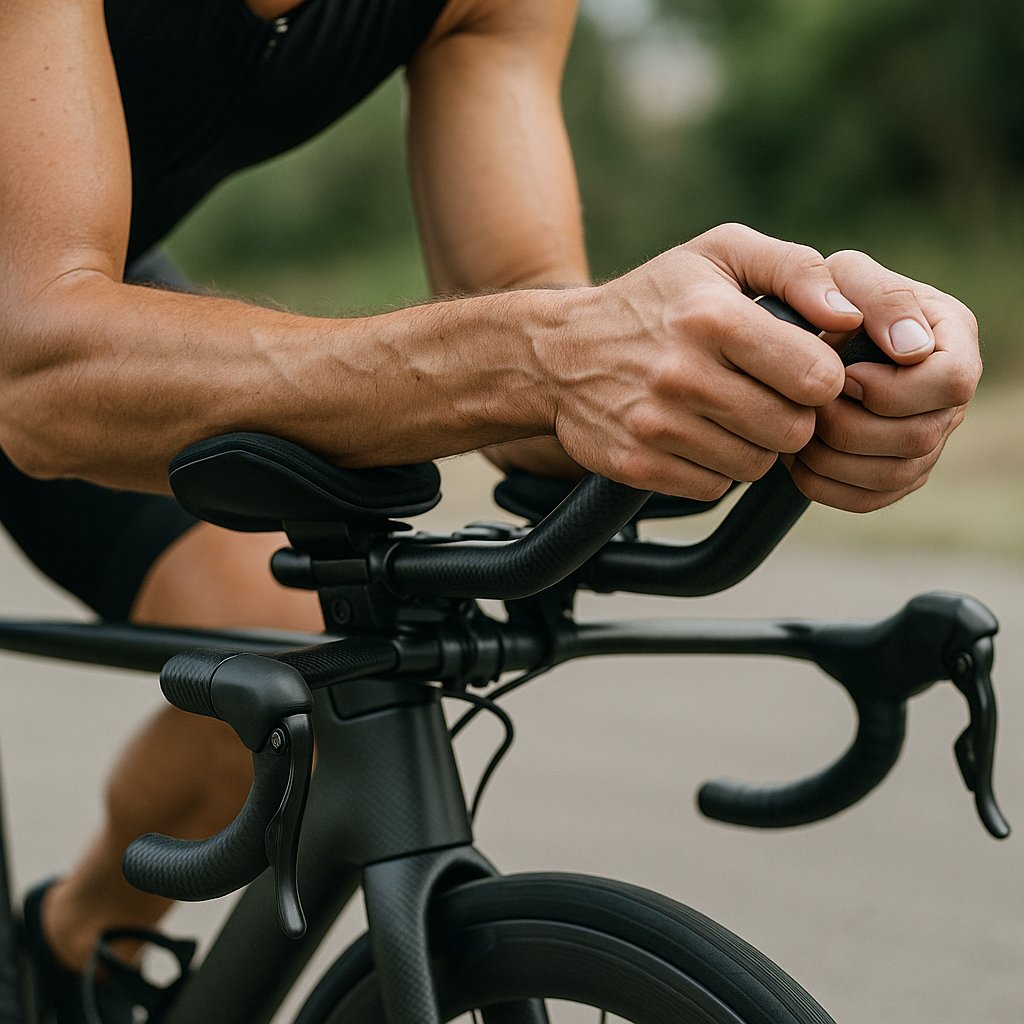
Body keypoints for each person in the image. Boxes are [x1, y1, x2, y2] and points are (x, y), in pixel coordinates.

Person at [0, 0, 981, 1020]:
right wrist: (543, 353)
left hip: (44, 290)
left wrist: (794, 373)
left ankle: (68, 954)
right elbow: (39, 371)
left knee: (293, 656)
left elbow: (521, 316)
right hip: (40, 318)